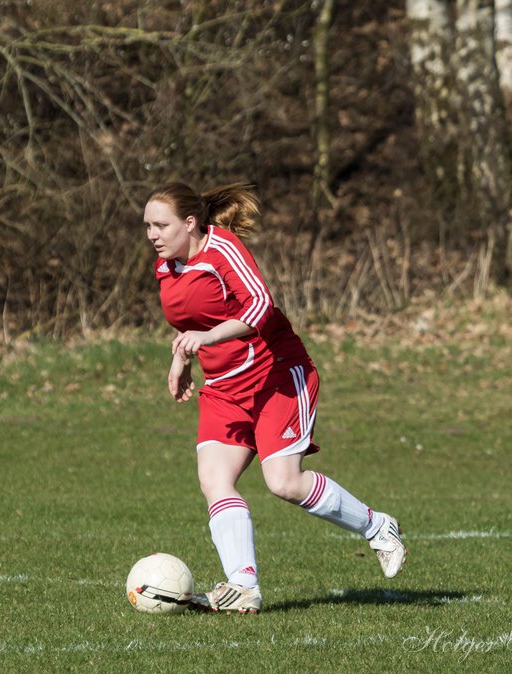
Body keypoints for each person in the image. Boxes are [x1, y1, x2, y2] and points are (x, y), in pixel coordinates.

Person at [142, 181, 406, 614]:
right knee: (215, 480)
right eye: (147, 226)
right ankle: (244, 588)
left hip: (276, 375)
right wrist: (181, 359)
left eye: (160, 225)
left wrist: (205, 337)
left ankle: (378, 526)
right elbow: (188, 320)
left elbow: (260, 305)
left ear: (190, 223)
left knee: (283, 482)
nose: (152, 234)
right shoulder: (167, 266)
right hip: (224, 387)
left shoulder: (222, 249)